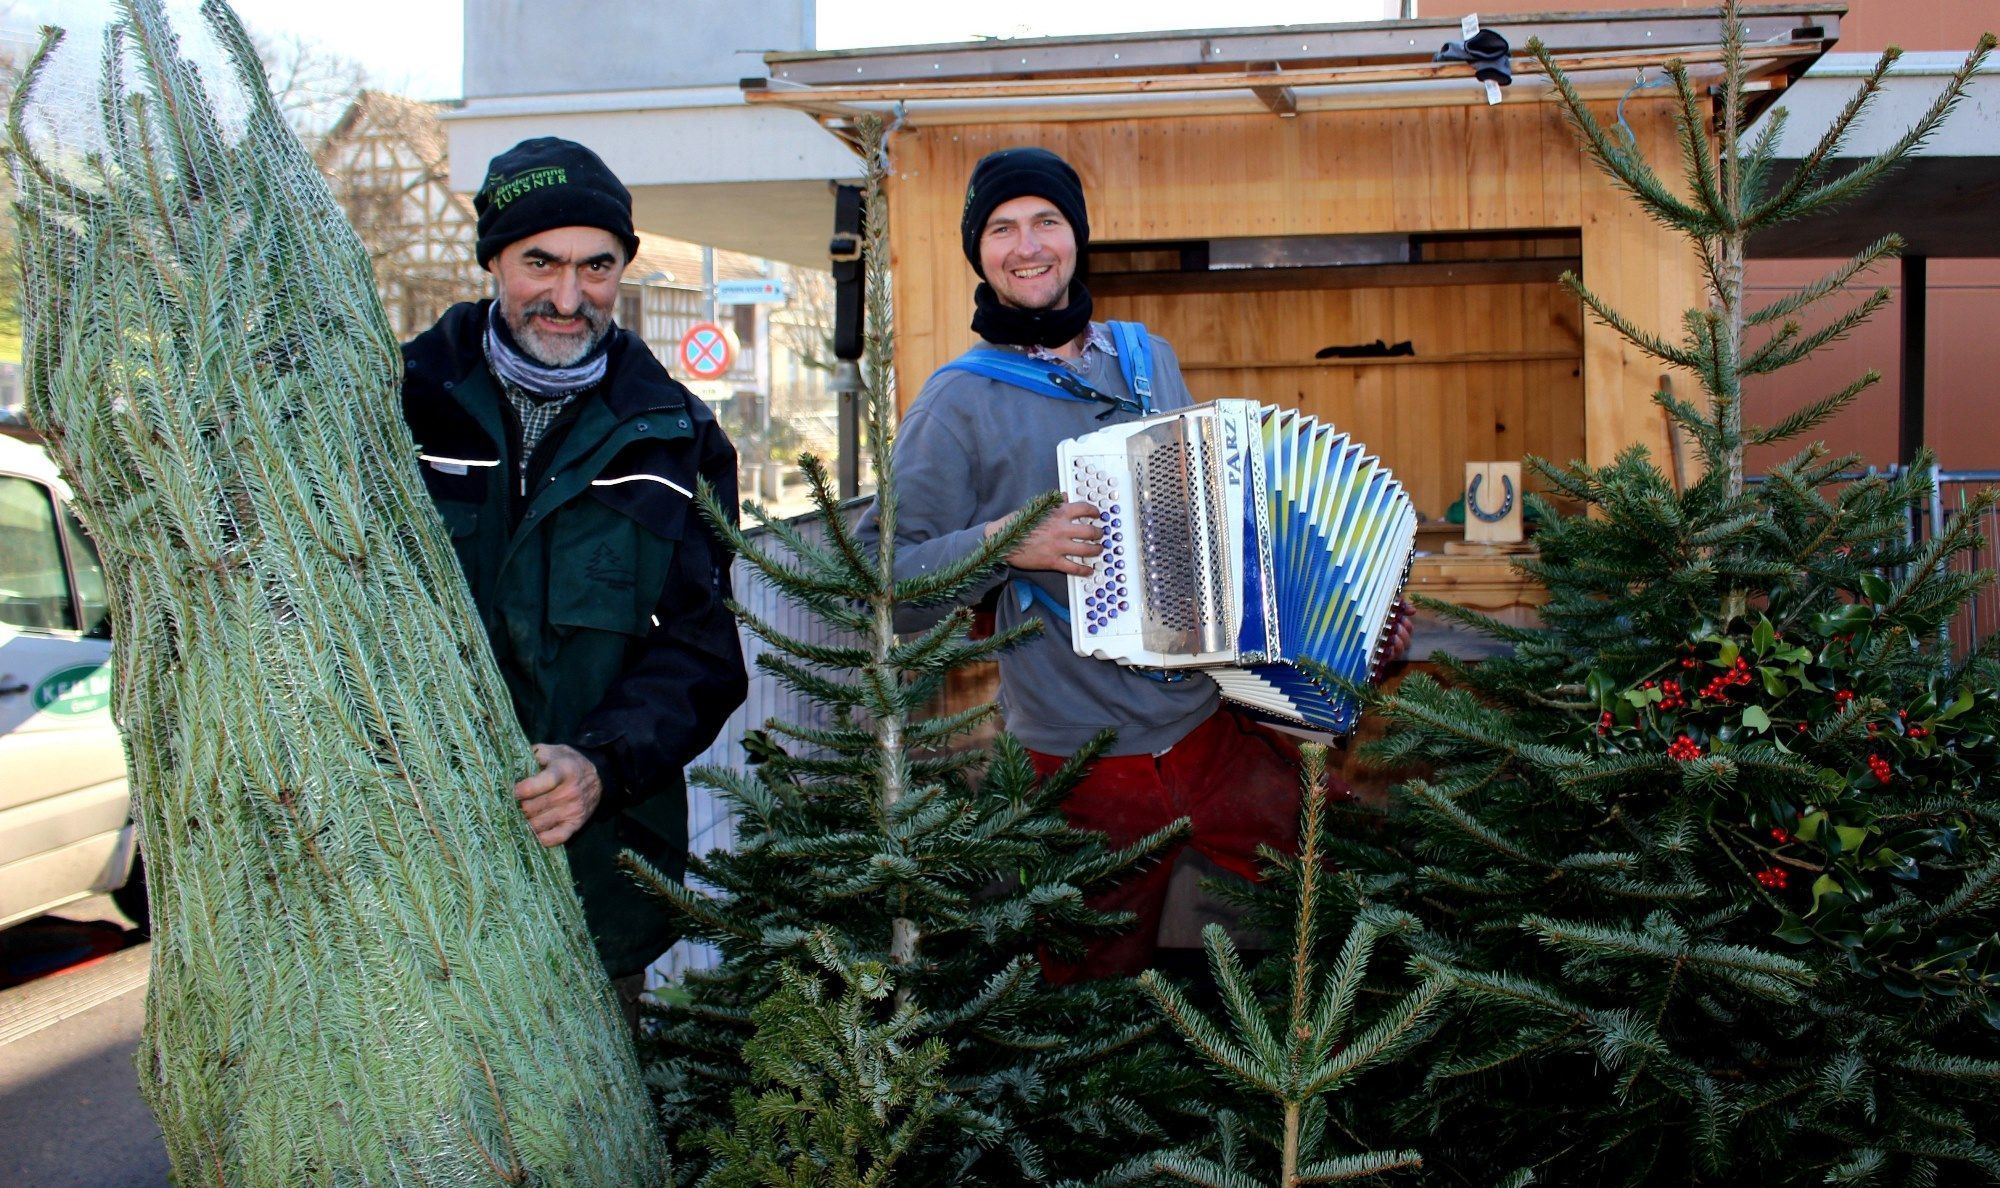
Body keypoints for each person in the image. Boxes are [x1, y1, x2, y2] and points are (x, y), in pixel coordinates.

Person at [859, 146, 1408, 980]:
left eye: (1047, 221)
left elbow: (1212, 541)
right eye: (1001, 229)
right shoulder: (956, 401)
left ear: (1077, 237)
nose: (1027, 245)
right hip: (1076, 763)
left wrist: (1344, 624)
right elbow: (879, 580)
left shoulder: (1145, 362)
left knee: (1354, 908)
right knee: (1089, 996)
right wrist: (1008, 543)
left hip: (1208, 732)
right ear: (978, 252)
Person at [400, 137, 748, 997]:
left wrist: (599, 763)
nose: (568, 297)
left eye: (597, 267)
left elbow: (703, 657)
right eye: (539, 262)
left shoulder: (677, 436)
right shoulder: (397, 408)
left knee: (587, 1123)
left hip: (595, 876)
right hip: (408, 874)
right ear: (492, 263)